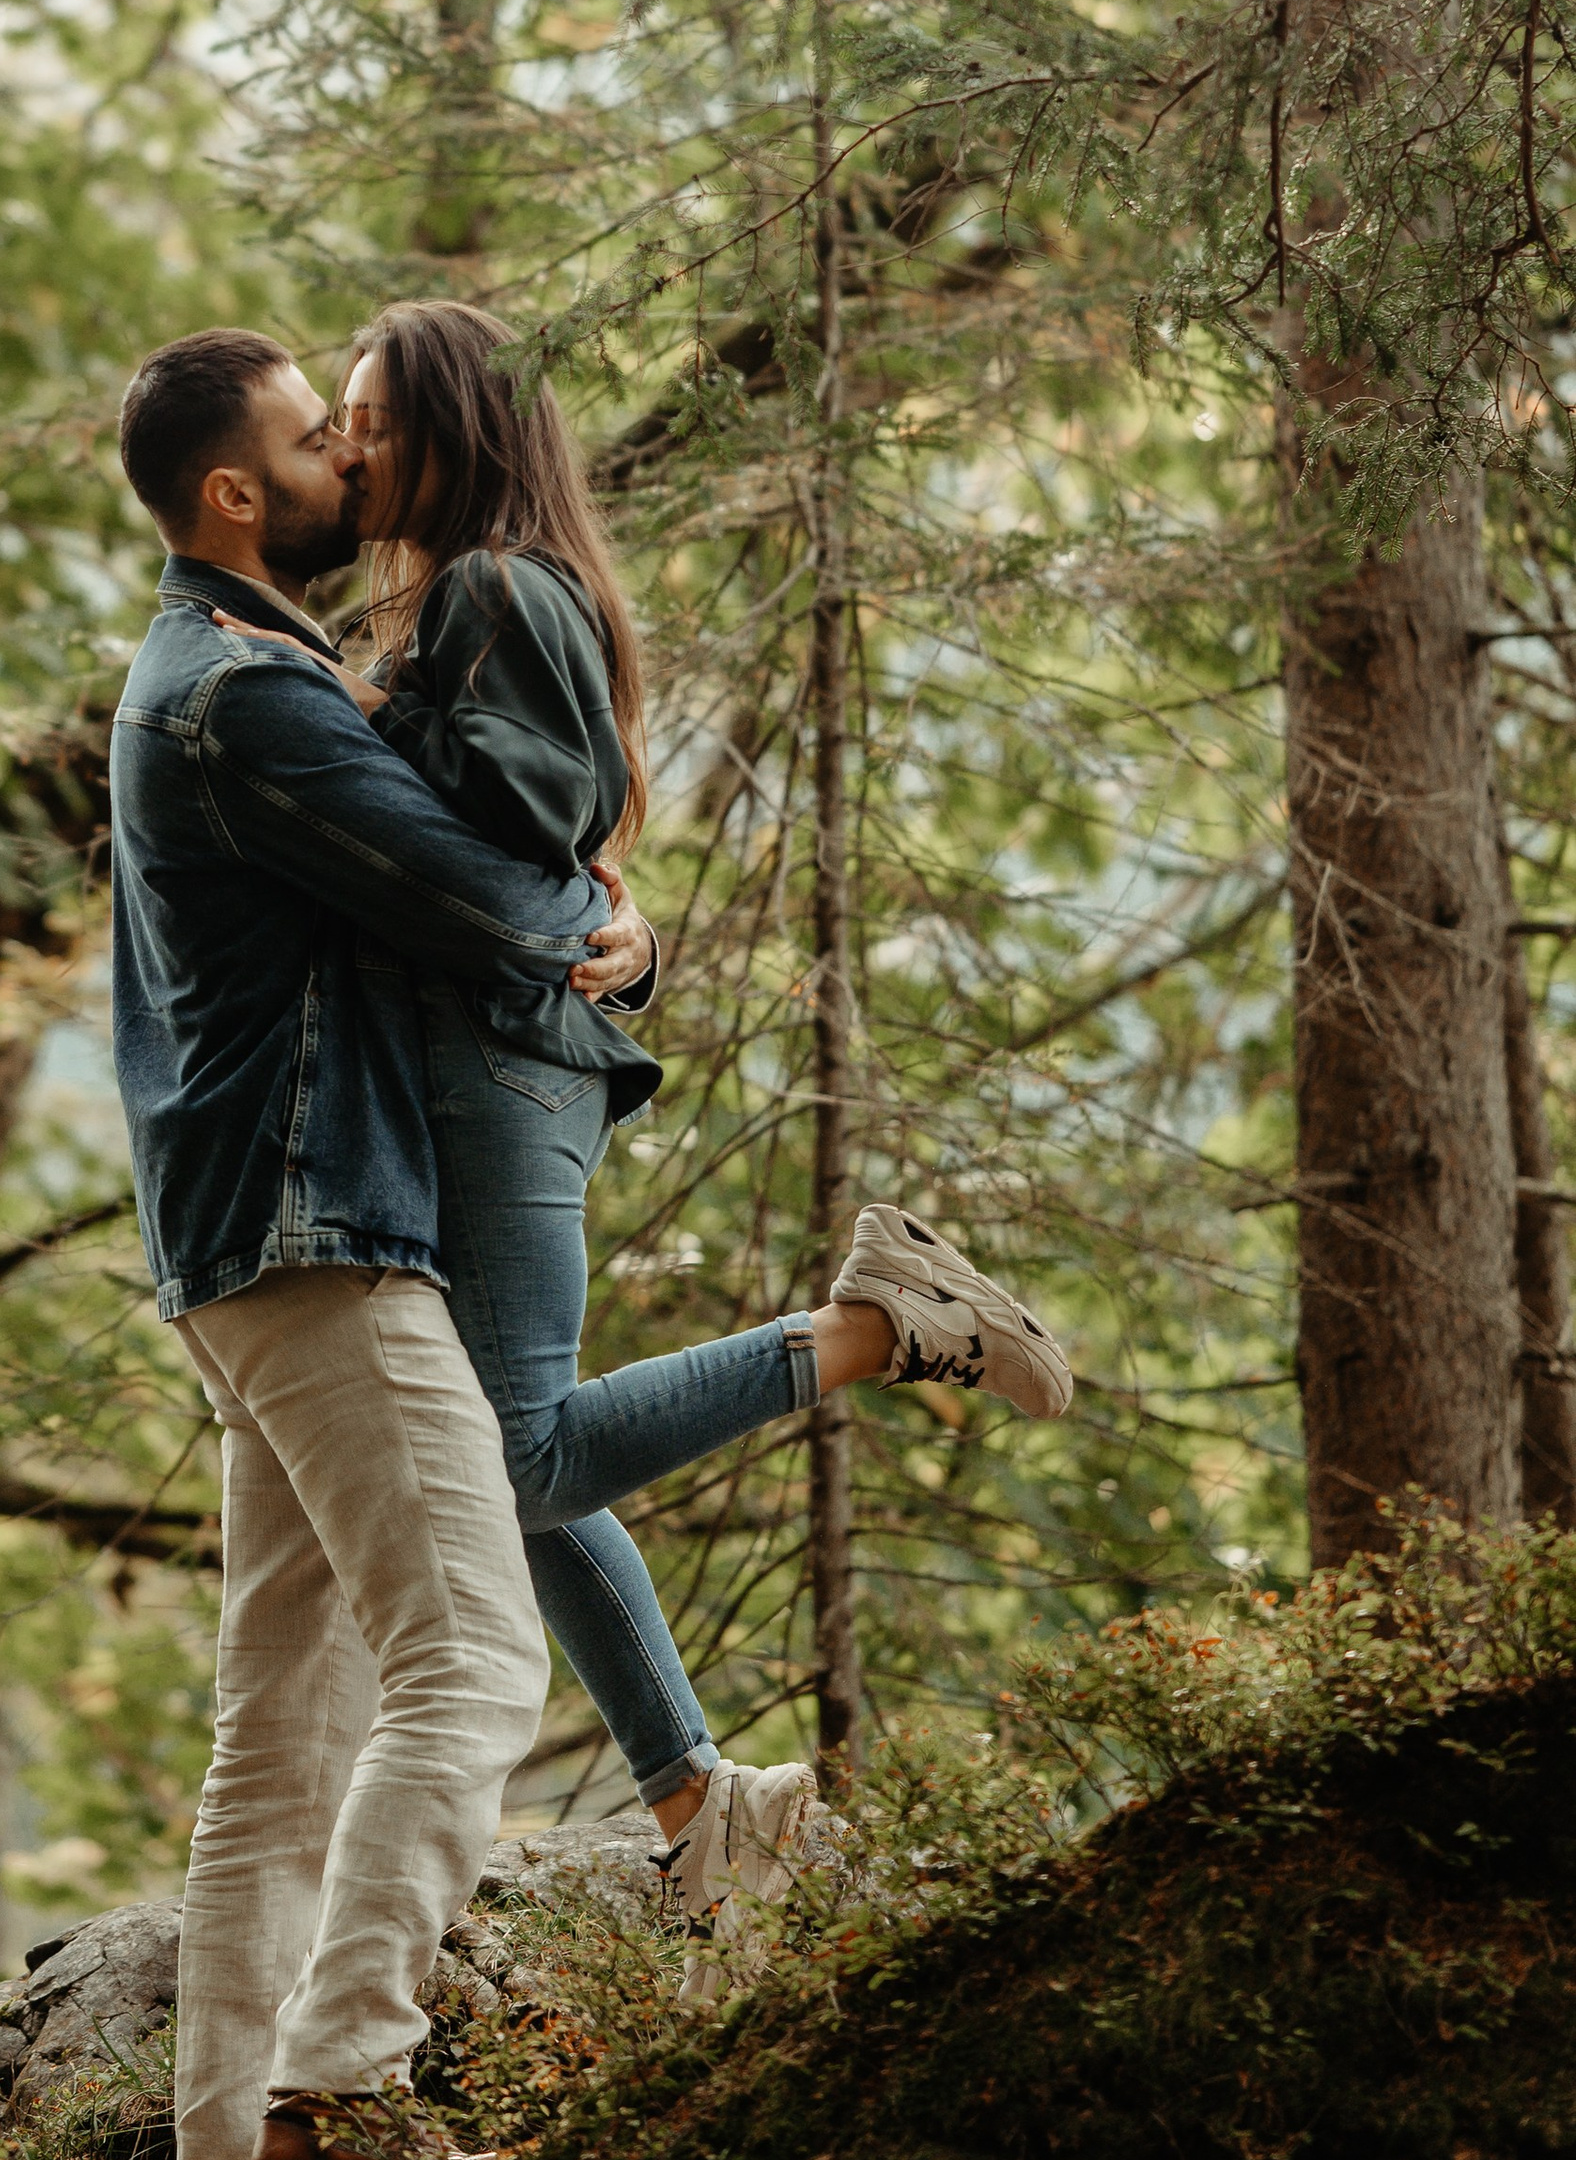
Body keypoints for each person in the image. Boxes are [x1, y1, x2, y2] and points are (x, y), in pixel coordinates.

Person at [221, 296, 1072, 1919]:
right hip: (486, 1058)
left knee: (516, 1456)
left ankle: (872, 1328)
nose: (349, 448)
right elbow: (564, 856)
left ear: (460, 429)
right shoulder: (471, 598)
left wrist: (377, 752)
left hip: (501, 1065)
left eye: (373, 418)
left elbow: (540, 826)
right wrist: (622, 925)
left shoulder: (487, 588)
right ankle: (698, 1801)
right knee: (509, 1448)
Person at [105, 326, 664, 2160]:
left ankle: (224, 2157)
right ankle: (350, 2080)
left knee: (283, 1722)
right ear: (237, 498)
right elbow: (470, 888)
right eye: (307, 438)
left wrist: (586, 913)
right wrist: (606, 917)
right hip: (315, 1227)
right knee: (476, 1658)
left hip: (247, 1240)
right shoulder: (243, 697)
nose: (350, 454)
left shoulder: (235, 668)